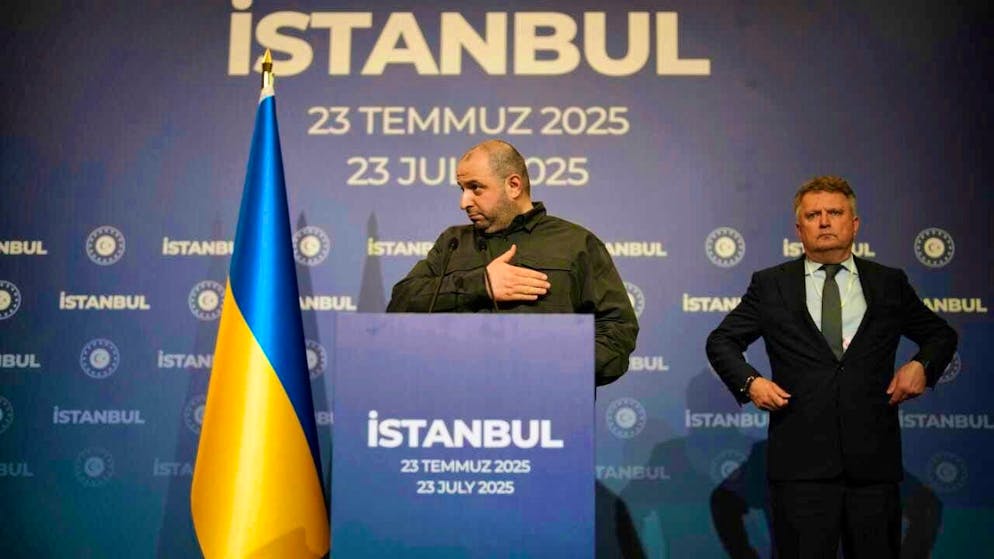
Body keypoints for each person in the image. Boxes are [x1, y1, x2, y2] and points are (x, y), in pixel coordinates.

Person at [705, 176, 957, 559]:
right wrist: (751, 382)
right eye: (813, 215)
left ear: (854, 224)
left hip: (873, 468)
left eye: (834, 213)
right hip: (800, 470)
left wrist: (921, 364)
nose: (824, 221)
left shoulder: (888, 283)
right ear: (799, 228)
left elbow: (940, 334)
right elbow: (721, 341)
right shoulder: (771, 285)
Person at [387, 139, 638, 386]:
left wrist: (556, 365)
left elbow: (617, 331)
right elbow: (401, 303)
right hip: (457, 397)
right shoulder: (453, 243)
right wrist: (480, 284)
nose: (464, 202)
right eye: (462, 189)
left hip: (547, 402)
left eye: (475, 188)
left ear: (514, 185)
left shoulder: (575, 244)